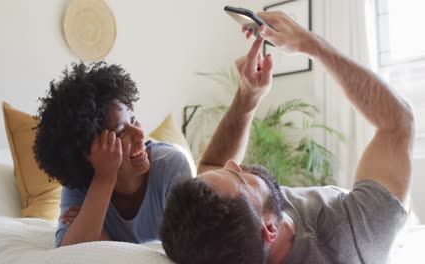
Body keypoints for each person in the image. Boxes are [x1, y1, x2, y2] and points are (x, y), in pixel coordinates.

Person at [160, 11, 414, 264]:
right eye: (240, 178)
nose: (232, 163)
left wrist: (248, 97)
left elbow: (212, 166)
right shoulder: (357, 233)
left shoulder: (232, 238)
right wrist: (312, 45)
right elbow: (397, 123)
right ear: (270, 229)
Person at [33, 62, 193, 247]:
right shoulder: (79, 187)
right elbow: (70, 253)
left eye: (132, 119)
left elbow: (189, 250)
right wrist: (104, 177)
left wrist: (100, 234)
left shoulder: (171, 166)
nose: (140, 134)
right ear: (87, 155)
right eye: (121, 132)